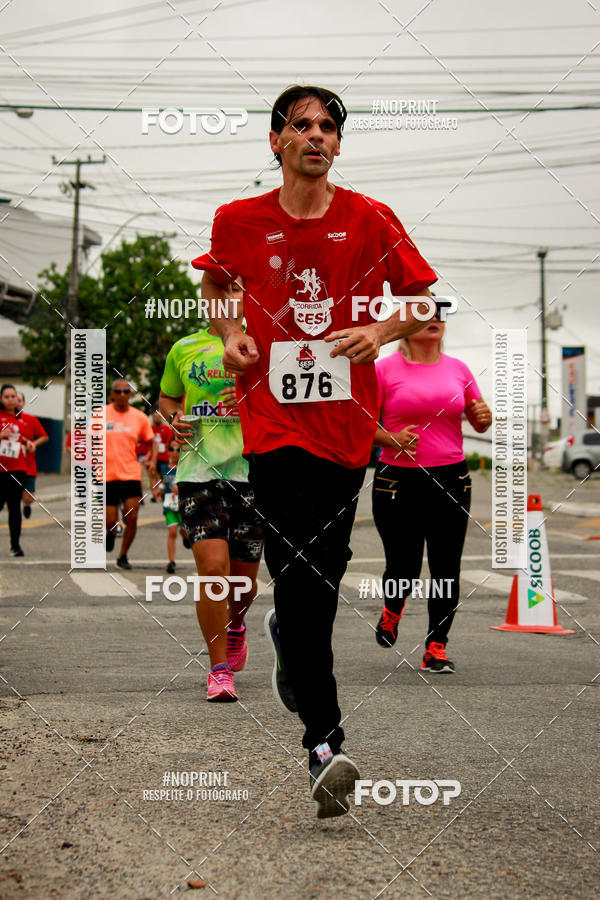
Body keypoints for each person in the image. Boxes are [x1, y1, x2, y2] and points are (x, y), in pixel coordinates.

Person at [192, 84, 437, 818]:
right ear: (276, 142)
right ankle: (324, 744)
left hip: (345, 430)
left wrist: (382, 334)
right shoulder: (239, 220)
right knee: (299, 569)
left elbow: (422, 300)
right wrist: (230, 334)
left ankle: (290, 648)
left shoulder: (370, 218)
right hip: (271, 426)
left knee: (320, 576)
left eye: (329, 127)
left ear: (338, 143)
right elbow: (215, 285)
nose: (316, 136)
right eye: (301, 126)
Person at [372, 305, 492, 672]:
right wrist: (390, 438)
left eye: (440, 314)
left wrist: (484, 417)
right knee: (404, 565)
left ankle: (435, 647)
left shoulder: (459, 369)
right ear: (405, 326)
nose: (434, 319)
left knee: (446, 568)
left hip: (451, 478)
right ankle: (392, 610)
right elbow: (359, 423)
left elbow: (478, 418)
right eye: (424, 314)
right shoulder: (383, 369)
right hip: (398, 479)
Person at [159, 280, 263, 703]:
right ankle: (218, 669)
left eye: (239, 289)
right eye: (223, 289)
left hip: (253, 472)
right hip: (198, 472)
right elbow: (167, 399)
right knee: (212, 569)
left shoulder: (265, 344)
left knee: (244, 584)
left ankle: (237, 626)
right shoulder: (184, 348)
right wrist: (174, 418)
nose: (231, 296)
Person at [104, 378, 155, 569]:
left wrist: (151, 461)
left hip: (131, 475)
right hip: (107, 476)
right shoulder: (101, 415)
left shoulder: (139, 417)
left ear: (131, 395)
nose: (123, 395)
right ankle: (110, 533)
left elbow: (151, 441)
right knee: (110, 521)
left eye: (126, 391)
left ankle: (123, 555)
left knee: (132, 517)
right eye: (118, 391)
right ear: (112, 394)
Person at [0, 384, 30, 556]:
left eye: (13, 396)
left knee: (14, 507)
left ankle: (15, 546)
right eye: (7, 396)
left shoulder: (21, 418)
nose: (11, 400)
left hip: (17, 468)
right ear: (1, 399)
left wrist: (29, 443)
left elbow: (23, 438)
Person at [158, 438, 190, 574]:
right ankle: (171, 561)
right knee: (172, 532)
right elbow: (159, 484)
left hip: (183, 506)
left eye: (178, 449)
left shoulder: (186, 467)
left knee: (184, 532)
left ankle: (186, 538)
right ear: (168, 451)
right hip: (170, 506)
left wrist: (181, 489)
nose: (175, 452)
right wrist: (158, 490)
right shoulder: (164, 468)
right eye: (172, 449)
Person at [15, 391, 49, 519]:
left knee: (28, 498)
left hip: (28, 464)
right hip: (9, 465)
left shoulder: (30, 419)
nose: (16, 403)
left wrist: (34, 444)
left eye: (19, 400)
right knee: (11, 498)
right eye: (13, 399)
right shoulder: (4, 419)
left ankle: (26, 505)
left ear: (23, 403)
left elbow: (44, 437)